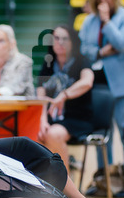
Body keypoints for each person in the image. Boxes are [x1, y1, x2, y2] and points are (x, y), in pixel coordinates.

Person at [79, 0, 124, 198]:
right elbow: (85, 49)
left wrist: (107, 22)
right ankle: (104, 179)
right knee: (101, 137)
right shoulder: (89, 21)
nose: (103, 0)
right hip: (99, 88)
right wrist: (102, 51)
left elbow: (123, 43)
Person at [36, 25, 95, 160]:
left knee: (53, 134)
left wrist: (64, 95)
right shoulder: (48, 64)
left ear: (73, 42)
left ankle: (64, 180)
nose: (60, 42)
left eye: (65, 39)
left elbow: (87, 81)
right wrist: (42, 120)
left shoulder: (82, 61)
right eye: (56, 38)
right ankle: (47, 178)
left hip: (77, 118)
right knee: (37, 133)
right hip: (53, 119)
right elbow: (41, 94)